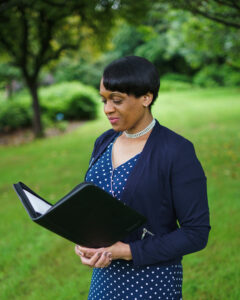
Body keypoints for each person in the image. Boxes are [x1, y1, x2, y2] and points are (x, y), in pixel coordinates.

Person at [74, 56, 211, 299]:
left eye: (117, 100)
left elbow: (195, 233)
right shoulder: (104, 141)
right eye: (104, 100)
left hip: (152, 283)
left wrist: (127, 251)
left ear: (146, 98)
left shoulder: (176, 151)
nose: (107, 109)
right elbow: (96, 206)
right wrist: (86, 243)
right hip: (104, 282)